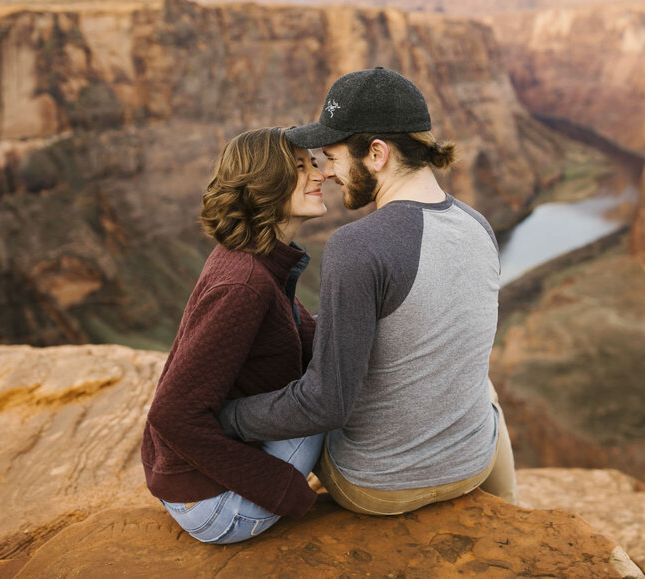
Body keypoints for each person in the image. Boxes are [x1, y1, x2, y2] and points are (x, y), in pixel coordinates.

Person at [219, 68, 518, 515]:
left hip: (377, 486)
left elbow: (324, 405)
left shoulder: (356, 246)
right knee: (485, 388)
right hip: (472, 466)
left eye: (334, 156)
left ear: (376, 153)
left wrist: (229, 416)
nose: (330, 172)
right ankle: (510, 506)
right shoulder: (478, 225)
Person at [141, 127, 328, 543]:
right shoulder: (245, 284)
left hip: (195, 484)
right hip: (216, 506)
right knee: (331, 393)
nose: (320, 173)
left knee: (336, 372)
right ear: (264, 183)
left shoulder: (256, 259)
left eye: (314, 162)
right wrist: (285, 491)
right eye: (300, 167)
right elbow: (171, 415)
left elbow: (300, 334)